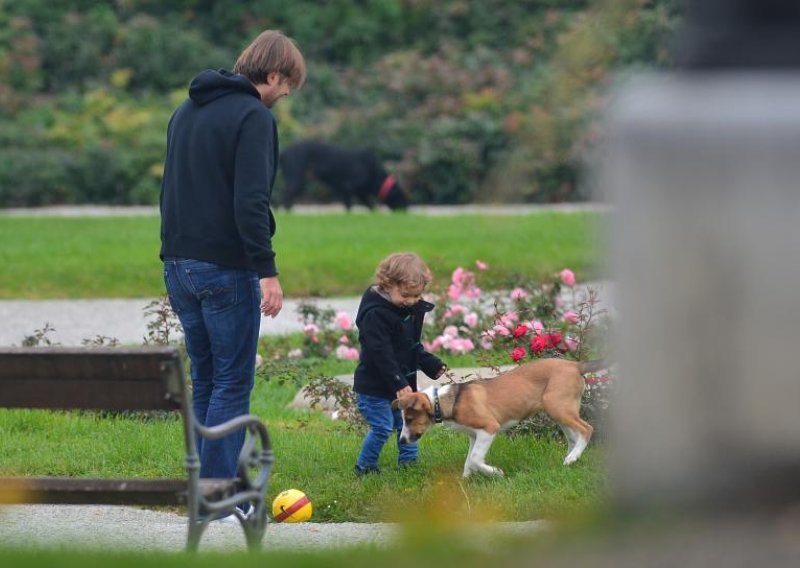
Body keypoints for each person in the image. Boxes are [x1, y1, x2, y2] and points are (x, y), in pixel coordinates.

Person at [159, 31, 306, 498]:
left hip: (179, 263)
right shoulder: (252, 117)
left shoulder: (185, 112)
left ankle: (207, 483)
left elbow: (169, 192)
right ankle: (218, 495)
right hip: (226, 267)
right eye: (287, 86)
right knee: (232, 382)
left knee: (207, 379)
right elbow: (251, 201)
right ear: (272, 74)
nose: (285, 96)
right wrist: (268, 270)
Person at [353, 252, 448, 475]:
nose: (412, 301)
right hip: (374, 387)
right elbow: (380, 353)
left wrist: (431, 364)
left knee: (408, 421)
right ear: (388, 284)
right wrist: (398, 381)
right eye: (406, 295)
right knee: (382, 428)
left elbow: (410, 345)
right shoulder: (375, 315)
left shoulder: (407, 308)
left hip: (401, 384)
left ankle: (408, 465)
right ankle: (365, 468)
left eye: (417, 296)